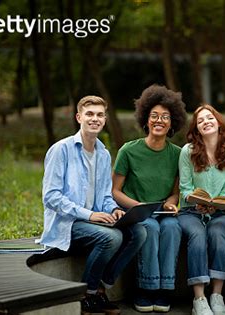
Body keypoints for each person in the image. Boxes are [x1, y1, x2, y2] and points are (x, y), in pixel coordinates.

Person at [39, 95, 147, 315]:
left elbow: (106, 196)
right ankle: (87, 294)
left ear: (105, 119)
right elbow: (51, 196)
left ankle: (101, 287)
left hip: (93, 222)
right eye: (89, 114)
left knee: (139, 231)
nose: (95, 119)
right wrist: (89, 215)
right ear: (79, 117)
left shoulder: (103, 154)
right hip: (67, 224)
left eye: (99, 114)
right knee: (112, 237)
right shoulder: (61, 150)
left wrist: (113, 210)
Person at [112, 85, 187, 313]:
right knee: (151, 228)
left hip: (164, 212)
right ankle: (146, 288)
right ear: (145, 119)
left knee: (173, 228)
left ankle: (165, 289)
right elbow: (115, 191)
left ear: (172, 122)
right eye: (154, 116)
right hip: (138, 213)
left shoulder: (177, 154)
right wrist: (139, 207)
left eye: (165, 117)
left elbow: (176, 191)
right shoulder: (128, 150)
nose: (159, 121)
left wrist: (172, 202)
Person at [178, 104, 225, 315]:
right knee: (197, 234)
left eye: (209, 118)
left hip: (221, 213)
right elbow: (185, 186)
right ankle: (200, 298)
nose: (206, 122)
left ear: (218, 122)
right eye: (200, 121)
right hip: (190, 211)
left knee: (216, 232)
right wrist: (195, 200)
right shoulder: (187, 151)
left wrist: (215, 205)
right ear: (196, 128)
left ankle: (216, 295)